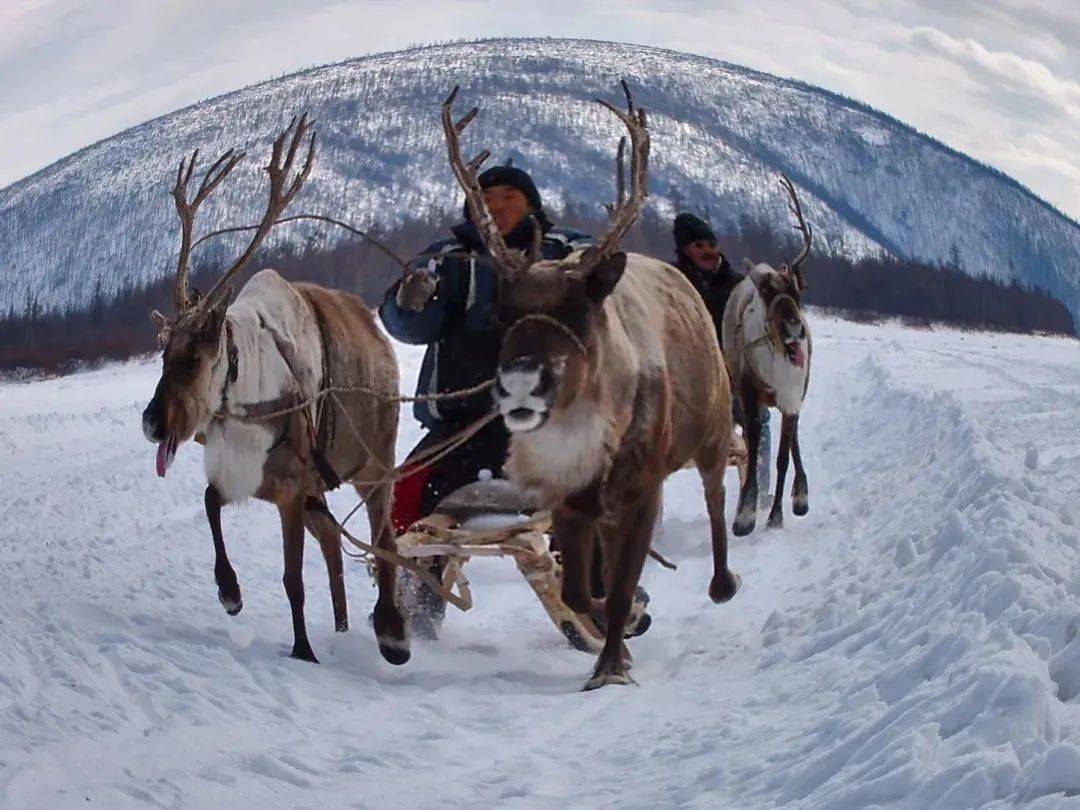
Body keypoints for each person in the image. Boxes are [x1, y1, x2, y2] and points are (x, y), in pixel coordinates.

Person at [379, 165, 593, 636]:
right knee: (404, 497)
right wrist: (407, 302)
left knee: (591, 497)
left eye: (508, 196)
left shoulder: (568, 253)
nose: (496, 206)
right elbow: (409, 325)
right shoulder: (447, 258)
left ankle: (598, 590)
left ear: (532, 203)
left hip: (549, 423)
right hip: (461, 422)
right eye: (486, 197)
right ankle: (415, 598)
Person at [672, 212, 771, 498]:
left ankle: (757, 491)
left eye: (711, 243)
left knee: (758, 419)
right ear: (685, 250)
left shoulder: (739, 285)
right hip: (687, 381)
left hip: (731, 376)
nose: (708, 251)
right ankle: (651, 517)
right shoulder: (673, 283)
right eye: (699, 245)